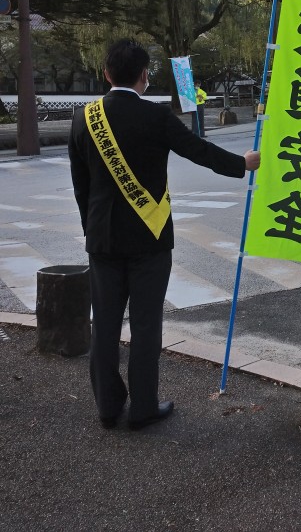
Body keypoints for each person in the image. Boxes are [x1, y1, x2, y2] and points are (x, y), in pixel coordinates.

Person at [68, 39, 260, 430]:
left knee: (103, 325)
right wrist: (242, 164)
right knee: (145, 324)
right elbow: (199, 151)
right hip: (149, 238)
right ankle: (142, 408)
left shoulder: (82, 118)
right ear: (144, 76)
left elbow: (80, 186)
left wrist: (93, 231)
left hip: (102, 239)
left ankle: (107, 407)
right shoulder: (155, 116)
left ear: (106, 74)